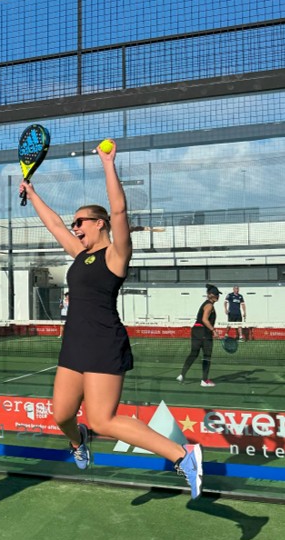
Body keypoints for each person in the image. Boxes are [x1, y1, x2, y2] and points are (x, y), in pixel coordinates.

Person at [19, 140, 203, 499]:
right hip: (74, 345)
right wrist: (32, 192)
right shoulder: (80, 254)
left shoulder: (116, 255)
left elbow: (120, 213)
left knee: (103, 418)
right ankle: (80, 441)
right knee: (62, 415)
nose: (74, 227)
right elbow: (55, 225)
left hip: (104, 343)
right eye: (74, 223)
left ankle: (184, 455)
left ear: (99, 223)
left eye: (81, 222)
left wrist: (108, 163)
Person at [177, 285, 221, 387]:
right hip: (204, 333)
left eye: (218, 294)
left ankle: (181, 375)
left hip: (196, 331)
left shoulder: (205, 304)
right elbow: (205, 319)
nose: (218, 296)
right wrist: (213, 330)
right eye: (216, 294)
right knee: (207, 356)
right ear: (211, 295)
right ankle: (204, 380)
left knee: (193, 354)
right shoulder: (210, 305)